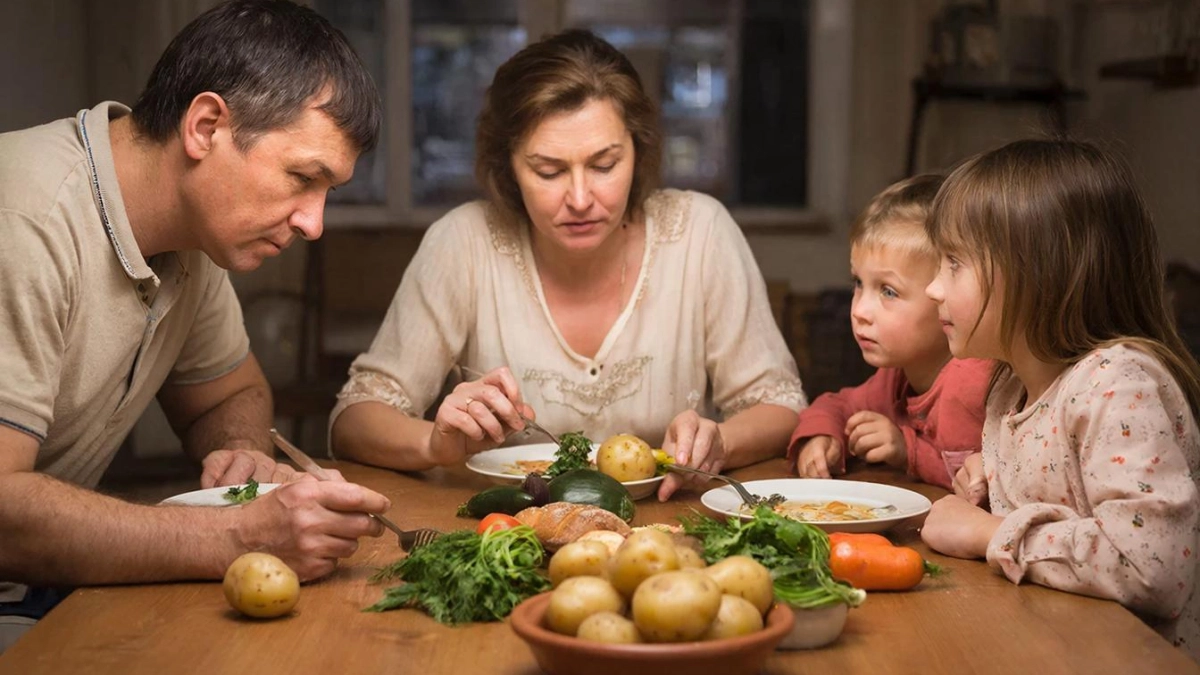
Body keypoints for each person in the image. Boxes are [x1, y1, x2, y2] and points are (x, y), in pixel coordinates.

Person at [0, 0, 391, 652]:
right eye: (303, 177)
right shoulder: (27, 220)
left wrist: (243, 456)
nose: (314, 224)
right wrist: (242, 532)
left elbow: (234, 396)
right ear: (206, 126)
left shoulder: (188, 240)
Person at [330, 29, 805, 501]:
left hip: (670, 531)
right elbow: (353, 420)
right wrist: (435, 443)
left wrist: (720, 443)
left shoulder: (701, 233)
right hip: (504, 534)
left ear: (638, 152)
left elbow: (781, 407)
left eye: (604, 165)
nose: (580, 199)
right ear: (508, 168)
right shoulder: (465, 241)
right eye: (549, 171)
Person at [918, 139, 1200, 658]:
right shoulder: (1010, 386)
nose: (934, 288)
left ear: (1038, 272)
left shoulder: (1118, 385)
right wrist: (994, 470)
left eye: (954, 263)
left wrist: (990, 533)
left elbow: (1151, 566)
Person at [787, 175, 991, 489]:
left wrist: (907, 450)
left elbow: (985, 485)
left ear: (944, 294)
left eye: (889, 292)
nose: (859, 311)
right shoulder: (896, 376)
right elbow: (836, 404)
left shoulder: (970, 384)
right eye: (858, 283)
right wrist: (822, 436)